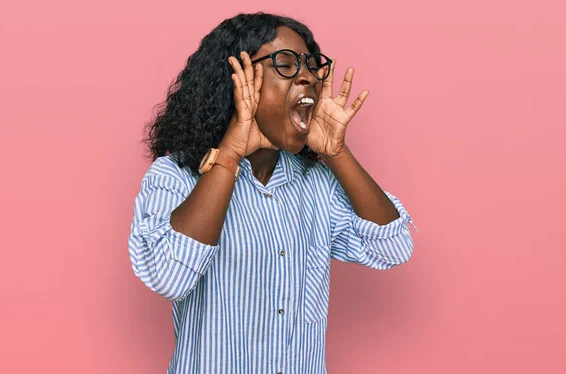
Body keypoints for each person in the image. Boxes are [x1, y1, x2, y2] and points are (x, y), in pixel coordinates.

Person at [128, 11, 417, 374]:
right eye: (286, 64)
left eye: (311, 65)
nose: (308, 77)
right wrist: (229, 155)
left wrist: (336, 152)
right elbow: (169, 276)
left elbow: (392, 246)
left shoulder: (316, 185)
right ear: (239, 79)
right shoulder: (175, 177)